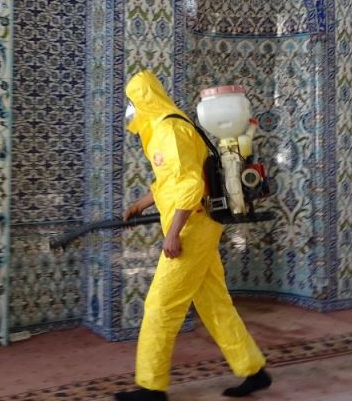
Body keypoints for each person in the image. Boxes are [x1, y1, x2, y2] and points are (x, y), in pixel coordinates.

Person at [115, 70, 272, 401]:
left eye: (132, 102)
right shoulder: (165, 127)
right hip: (198, 225)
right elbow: (170, 182)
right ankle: (253, 369)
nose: (130, 110)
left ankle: (151, 388)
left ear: (144, 100)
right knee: (214, 303)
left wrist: (173, 234)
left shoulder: (169, 129)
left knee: (160, 305)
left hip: (191, 228)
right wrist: (140, 204)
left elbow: (190, 185)